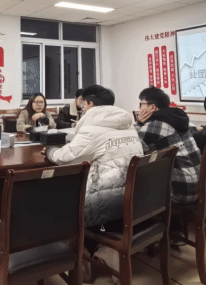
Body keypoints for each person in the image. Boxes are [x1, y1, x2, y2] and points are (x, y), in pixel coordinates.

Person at [44, 85, 143, 282]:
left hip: (107, 202)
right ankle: (104, 250)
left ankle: (80, 257)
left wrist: (50, 150)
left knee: (59, 197)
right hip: (134, 197)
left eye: (83, 105)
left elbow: (65, 158)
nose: (82, 108)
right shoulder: (127, 124)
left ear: (89, 104)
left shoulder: (92, 126)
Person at [136, 86, 201, 205]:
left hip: (179, 193)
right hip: (200, 188)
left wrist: (139, 123)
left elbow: (135, 149)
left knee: (134, 183)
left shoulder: (154, 125)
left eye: (141, 104)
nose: (139, 108)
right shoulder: (178, 119)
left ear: (152, 107)